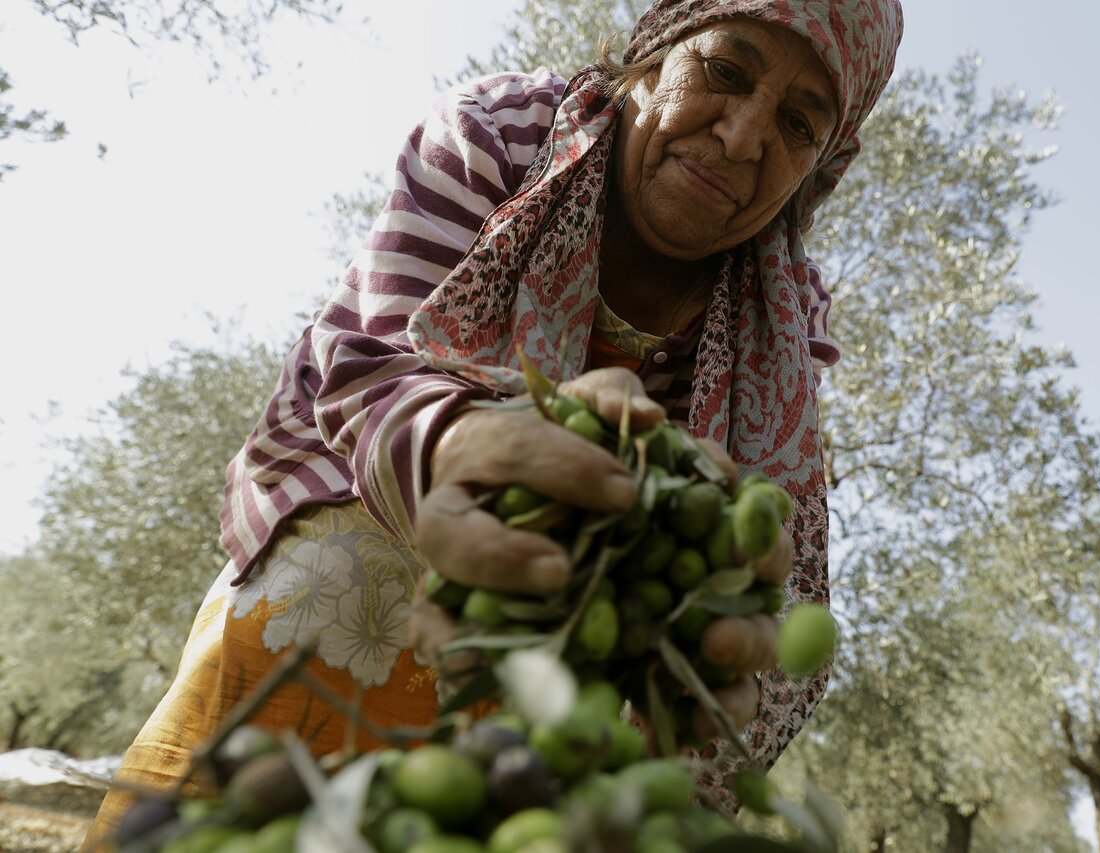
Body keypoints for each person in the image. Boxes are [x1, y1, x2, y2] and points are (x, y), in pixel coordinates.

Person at [82, 0, 904, 846]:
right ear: (655, 58)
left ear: (820, 163)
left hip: (558, 626)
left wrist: (703, 644)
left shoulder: (783, 316)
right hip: (357, 525)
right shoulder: (502, 132)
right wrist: (459, 447)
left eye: (800, 124)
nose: (741, 137)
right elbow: (366, 365)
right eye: (724, 72)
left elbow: (746, 548)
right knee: (340, 583)